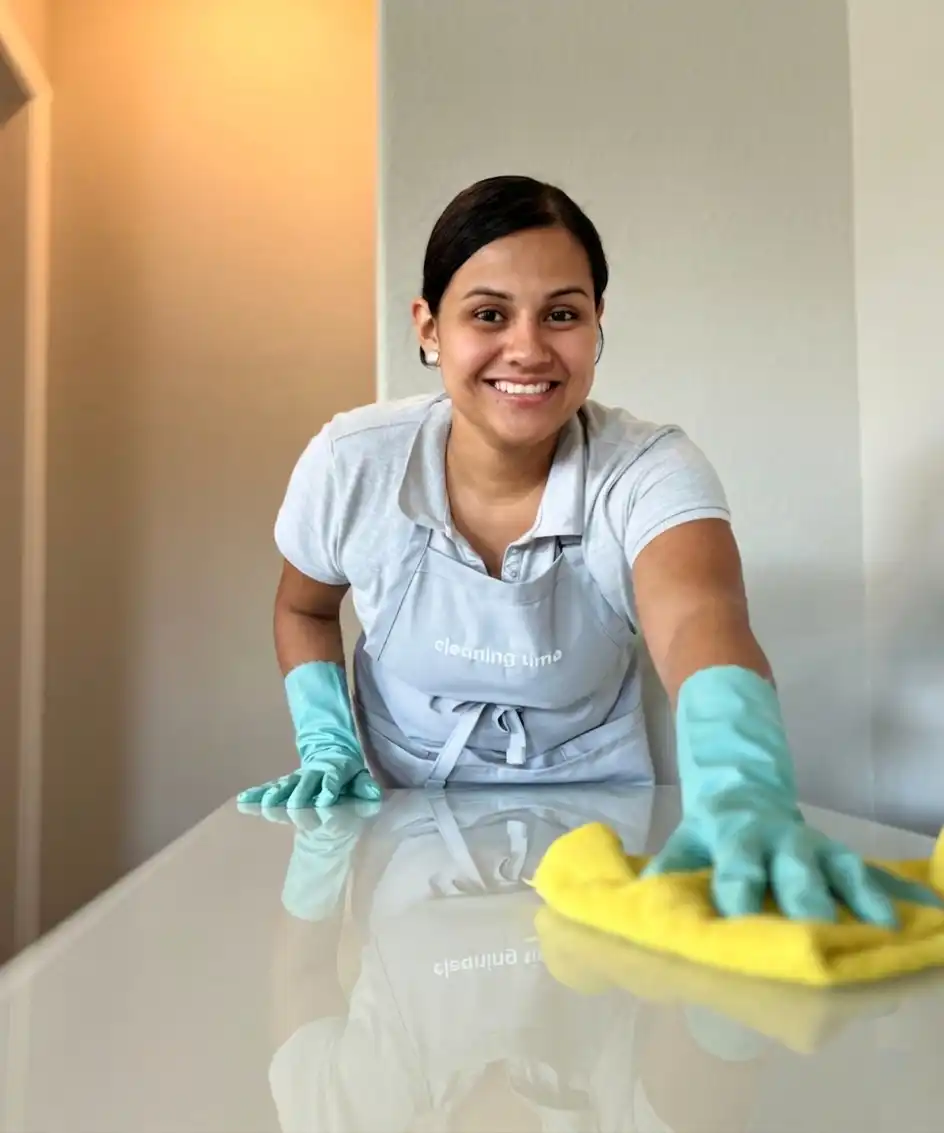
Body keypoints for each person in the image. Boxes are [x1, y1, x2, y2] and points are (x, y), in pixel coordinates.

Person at [240, 174, 941, 925]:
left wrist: (743, 786)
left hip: (603, 825)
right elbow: (303, 606)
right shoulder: (355, 463)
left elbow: (699, 615)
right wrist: (327, 744)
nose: (528, 348)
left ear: (597, 321)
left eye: (562, 314)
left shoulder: (649, 469)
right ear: (428, 326)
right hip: (391, 821)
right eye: (488, 313)